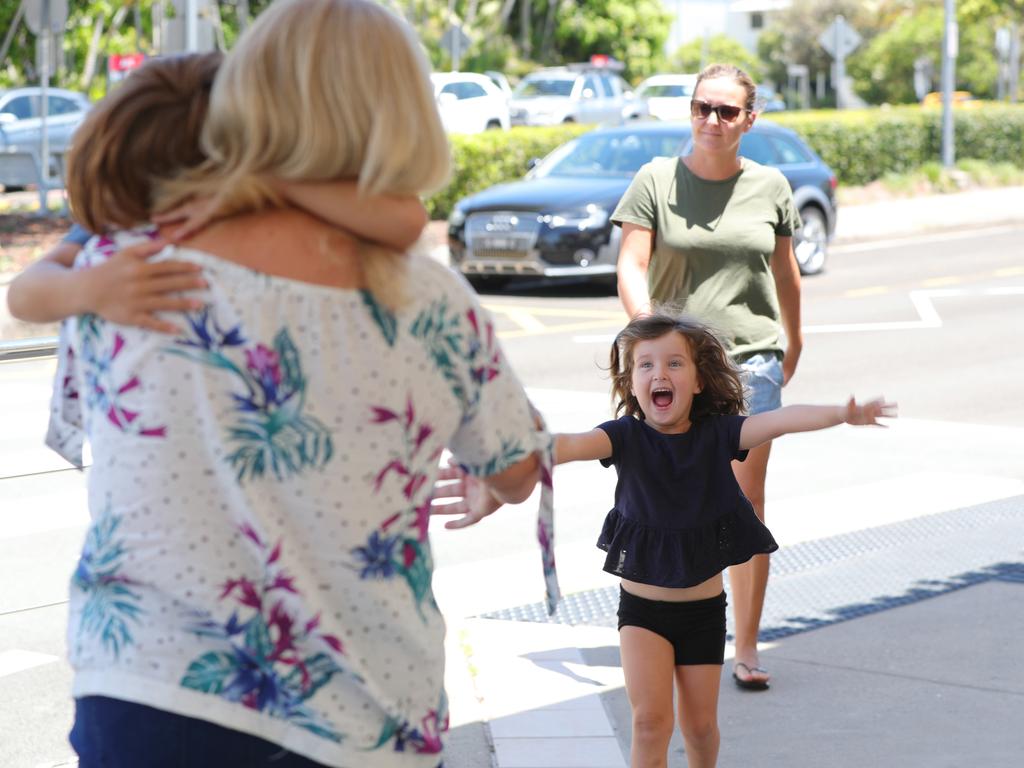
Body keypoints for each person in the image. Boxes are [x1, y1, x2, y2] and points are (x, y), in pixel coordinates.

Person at [38, 2, 554, 766]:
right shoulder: (433, 303)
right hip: (364, 712)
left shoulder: (117, 276)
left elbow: (97, 441)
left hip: (149, 696)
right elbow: (512, 470)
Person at [435, 312, 895, 768]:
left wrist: (842, 413)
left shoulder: (719, 434)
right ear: (632, 383)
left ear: (697, 381)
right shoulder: (624, 437)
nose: (660, 373)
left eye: (675, 363)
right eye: (646, 365)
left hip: (703, 614)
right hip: (643, 613)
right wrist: (497, 463)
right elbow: (566, 445)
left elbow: (780, 420)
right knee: (650, 723)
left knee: (700, 728)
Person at [612, 62, 803, 691]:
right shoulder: (655, 180)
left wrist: (793, 341)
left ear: (750, 118)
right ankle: (676, 623)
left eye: (726, 111)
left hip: (750, 360)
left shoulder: (772, 186)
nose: (712, 121)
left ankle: (744, 645)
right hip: (673, 368)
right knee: (672, 495)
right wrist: (650, 340)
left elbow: (785, 276)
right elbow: (632, 265)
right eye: (701, 107)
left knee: (743, 502)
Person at [5, 53, 428, 333]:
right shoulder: (125, 229)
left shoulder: (266, 198)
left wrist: (272, 183)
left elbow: (405, 220)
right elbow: (24, 294)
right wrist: (88, 289)